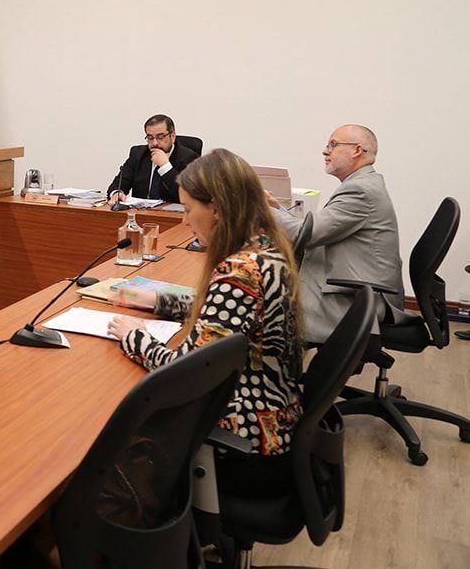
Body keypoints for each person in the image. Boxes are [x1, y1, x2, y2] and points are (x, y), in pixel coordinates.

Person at [109, 149, 304, 494]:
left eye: (187, 209)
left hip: (245, 440)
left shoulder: (239, 271)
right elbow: (228, 311)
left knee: (116, 426)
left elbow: (187, 371)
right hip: (276, 418)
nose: (184, 220)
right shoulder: (266, 249)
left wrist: (134, 338)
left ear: (215, 207)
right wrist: (158, 300)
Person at [269, 124, 403, 344]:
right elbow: (319, 228)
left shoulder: (361, 190)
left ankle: (274, 372)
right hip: (355, 284)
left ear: (357, 150)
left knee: (261, 311)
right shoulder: (362, 183)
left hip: (356, 299)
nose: (325, 151)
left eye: (333, 144)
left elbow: (306, 235)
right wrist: (278, 210)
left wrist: (257, 206)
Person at [107, 114, 199, 204]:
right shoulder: (138, 154)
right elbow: (118, 184)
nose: (155, 143)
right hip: (141, 214)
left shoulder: (189, 158)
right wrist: (116, 193)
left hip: (171, 217)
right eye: (150, 138)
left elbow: (187, 197)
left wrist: (165, 167)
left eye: (160, 137)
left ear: (173, 136)